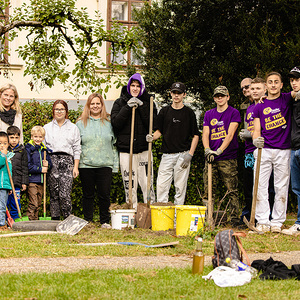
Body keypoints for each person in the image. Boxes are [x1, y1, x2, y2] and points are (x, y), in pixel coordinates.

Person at [252, 71, 298, 233]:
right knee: (260, 187)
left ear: (281, 85)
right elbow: (256, 129)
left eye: (276, 82)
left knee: (281, 187)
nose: (273, 85)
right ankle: (263, 221)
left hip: (283, 151)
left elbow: (297, 91)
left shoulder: (286, 98)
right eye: (270, 82)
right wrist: (256, 140)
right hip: (263, 150)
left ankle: (277, 222)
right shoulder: (259, 106)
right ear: (266, 85)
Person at [148, 82, 199, 205]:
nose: (176, 95)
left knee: (180, 188)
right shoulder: (164, 112)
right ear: (170, 94)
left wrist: (190, 155)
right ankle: (162, 216)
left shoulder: (189, 113)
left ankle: (176, 219)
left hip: (183, 155)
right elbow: (159, 131)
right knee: (161, 186)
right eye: (174, 93)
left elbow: (196, 135)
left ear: (184, 95)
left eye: (179, 93)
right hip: (167, 155)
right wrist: (152, 137)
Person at [111, 73, 156, 209]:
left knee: (147, 183)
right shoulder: (120, 102)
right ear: (129, 86)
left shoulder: (149, 102)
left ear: (142, 88)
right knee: (129, 184)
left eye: (138, 86)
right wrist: (127, 107)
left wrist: (141, 107)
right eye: (133, 85)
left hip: (144, 150)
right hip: (126, 150)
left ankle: (149, 211)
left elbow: (152, 124)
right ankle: (133, 212)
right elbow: (116, 123)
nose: (135, 89)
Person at [76, 93, 119, 228]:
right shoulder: (80, 123)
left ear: (102, 105)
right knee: (87, 195)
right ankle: (88, 220)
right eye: (92, 104)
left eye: (98, 103)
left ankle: (105, 221)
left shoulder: (109, 122)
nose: (95, 106)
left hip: (105, 164)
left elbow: (114, 145)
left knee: (104, 195)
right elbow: (76, 146)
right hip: (86, 165)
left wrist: (115, 165)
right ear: (88, 105)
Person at [202, 86, 241, 226]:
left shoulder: (234, 113)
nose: (220, 98)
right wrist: (207, 150)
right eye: (217, 96)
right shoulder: (209, 114)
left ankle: (235, 219)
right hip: (211, 159)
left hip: (228, 158)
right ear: (214, 98)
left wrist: (219, 150)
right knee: (209, 191)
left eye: (222, 96)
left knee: (232, 190)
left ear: (228, 97)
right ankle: (210, 219)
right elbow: (205, 133)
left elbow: (230, 135)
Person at [44, 100, 81, 220]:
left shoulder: (73, 128)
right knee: (54, 194)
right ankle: (55, 220)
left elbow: (77, 148)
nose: (59, 112)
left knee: (64, 194)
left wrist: (76, 167)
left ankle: (67, 219)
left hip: (67, 161)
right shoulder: (47, 128)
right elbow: (43, 148)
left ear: (66, 111)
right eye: (57, 109)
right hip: (52, 160)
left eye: (62, 109)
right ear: (53, 111)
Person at [282, 66, 300, 235]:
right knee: (296, 189)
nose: (294, 83)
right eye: (292, 80)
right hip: (294, 148)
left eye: (297, 79)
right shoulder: (293, 100)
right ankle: (299, 223)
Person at [25, 126, 52, 220]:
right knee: (34, 202)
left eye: (40, 137)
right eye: (35, 136)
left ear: (43, 138)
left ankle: (35, 220)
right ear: (32, 137)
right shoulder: (29, 149)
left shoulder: (44, 150)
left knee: (39, 203)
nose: (38, 139)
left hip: (41, 181)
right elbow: (28, 166)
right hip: (32, 180)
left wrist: (47, 165)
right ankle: (30, 219)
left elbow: (50, 165)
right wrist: (40, 169)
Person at [7, 125, 29, 220]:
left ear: (19, 138)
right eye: (11, 137)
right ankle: (5, 220)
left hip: (17, 182)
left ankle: (15, 219)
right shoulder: (4, 150)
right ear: (7, 137)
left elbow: (24, 167)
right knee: (5, 202)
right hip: (6, 183)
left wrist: (24, 182)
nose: (14, 140)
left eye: (16, 138)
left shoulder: (22, 150)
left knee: (16, 202)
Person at [0, 131, 14, 230]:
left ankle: (2, 222)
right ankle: (1, 224)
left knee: (3, 206)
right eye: (0, 143)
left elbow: (9, 173)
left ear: (8, 144)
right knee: (0, 206)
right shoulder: (3, 156)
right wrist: (3, 156)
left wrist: (10, 186)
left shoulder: (8, 156)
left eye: (5, 143)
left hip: (5, 185)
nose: (2, 145)